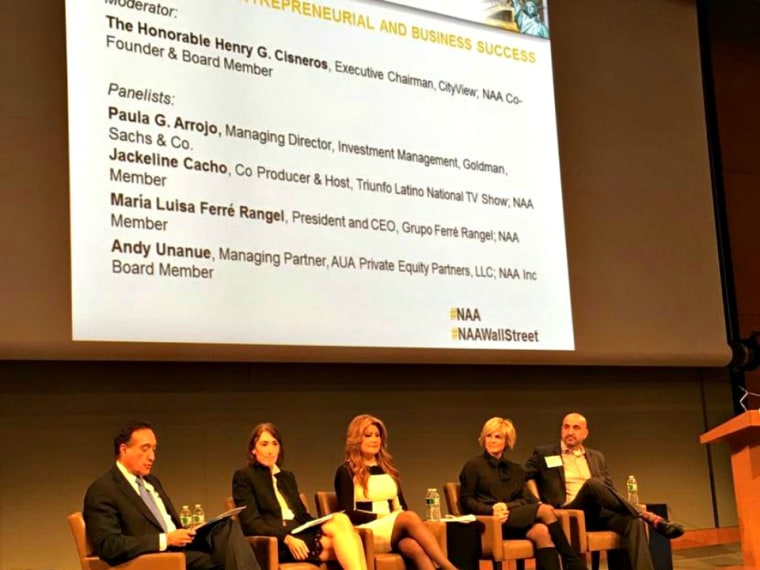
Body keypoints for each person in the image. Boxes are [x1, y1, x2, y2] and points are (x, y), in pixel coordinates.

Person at [83, 420, 260, 570]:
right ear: (124, 449)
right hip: (156, 557)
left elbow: (169, 524)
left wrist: (187, 532)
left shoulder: (152, 482)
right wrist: (165, 539)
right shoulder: (103, 490)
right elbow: (109, 545)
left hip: (179, 545)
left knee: (225, 527)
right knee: (220, 562)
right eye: (145, 449)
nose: (152, 456)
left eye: (154, 449)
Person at [524, 412, 685, 570]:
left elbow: (609, 489)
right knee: (593, 484)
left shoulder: (597, 457)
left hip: (598, 512)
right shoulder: (544, 453)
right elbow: (523, 477)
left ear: (585, 433)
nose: (570, 432)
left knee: (633, 522)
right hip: (569, 512)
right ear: (561, 430)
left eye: (576, 427)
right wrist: (538, 503)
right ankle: (648, 516)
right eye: (566, 427)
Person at [232, 423, 367, 570]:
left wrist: (321, 521)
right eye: (264, 444)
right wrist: (287, 538)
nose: (270, 450)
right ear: (253, 449)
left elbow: (302, 516)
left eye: (274, 444)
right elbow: (251, 524)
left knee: (341, 520)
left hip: (300, 530)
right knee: (350, 541)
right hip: (277, 540)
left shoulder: (287, 477)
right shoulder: (244, 477)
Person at [458, 417, 585, 570]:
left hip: (512, 519)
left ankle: (569, 562)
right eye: (488, 436)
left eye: (497, 437)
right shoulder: (473, 465)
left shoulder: (515, 469)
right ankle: (572, 560)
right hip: (489, 522)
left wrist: (506, 506)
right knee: (544, 510)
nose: (492, 440)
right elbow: (467, 500)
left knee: (542, 532)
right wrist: (491, 510)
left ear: (507, 441)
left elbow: (527, 499)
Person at [334, 414, 458, 570]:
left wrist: (396, 518)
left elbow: (402, 507)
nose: (374, 439)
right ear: (357, 438)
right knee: (410, 517)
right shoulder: (346, 471)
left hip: (392, 530)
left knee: (414, 547)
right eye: (368, 435)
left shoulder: (388, 469)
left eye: (377, 435)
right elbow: (347, 513)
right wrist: (385, 517)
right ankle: (449, 567)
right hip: (366, 531)